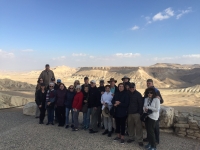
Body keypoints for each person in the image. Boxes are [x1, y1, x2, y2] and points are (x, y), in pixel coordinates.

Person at [143, 79, 164, 144]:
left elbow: (161, 101)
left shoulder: (156, 90)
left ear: (152, 83)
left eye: (149, 83)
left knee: (155, 127)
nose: (148, 84)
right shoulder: (147, 91)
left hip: (154, 114)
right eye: (147, 83)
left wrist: (158, 98)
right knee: (149, 127)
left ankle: (156, 140)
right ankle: (149, 138)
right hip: (148, 113)